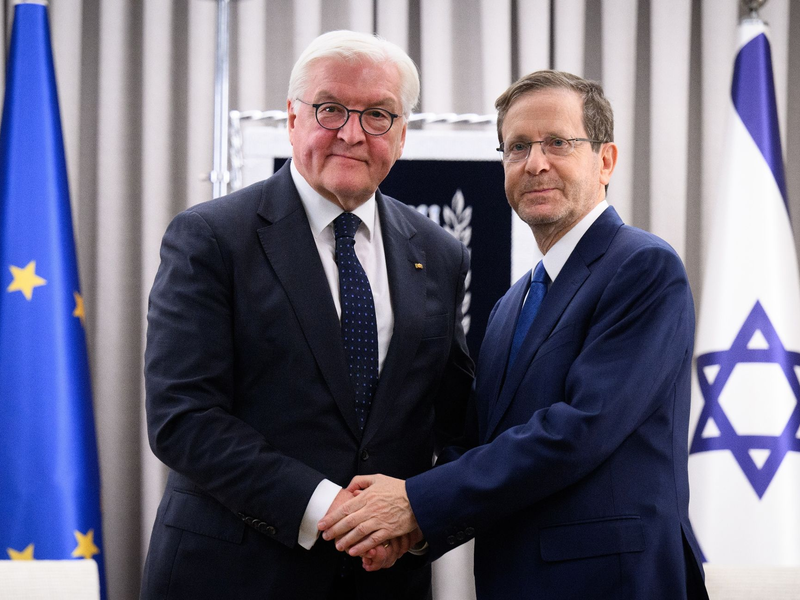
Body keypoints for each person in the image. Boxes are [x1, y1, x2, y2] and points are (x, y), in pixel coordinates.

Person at [319, 70, 710, 600]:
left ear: (606, 160)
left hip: (614, 583)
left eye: (558, 143)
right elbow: (485, 442)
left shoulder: (643, 268)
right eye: (517, 146)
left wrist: (415, 500)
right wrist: (410, 529)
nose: (535, 163)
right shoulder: (510, 304)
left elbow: (579, 430)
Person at [140, 30, 473, 600]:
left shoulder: (440, 252)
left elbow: (456, 422)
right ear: (292, 118)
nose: (352, 132)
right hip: (231, 576)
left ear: (401, 132)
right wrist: (331, 508)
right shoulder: (210, 238)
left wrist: (417, 519)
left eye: (378, 115)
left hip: (384, 580)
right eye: (330, 109)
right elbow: (183, 416)